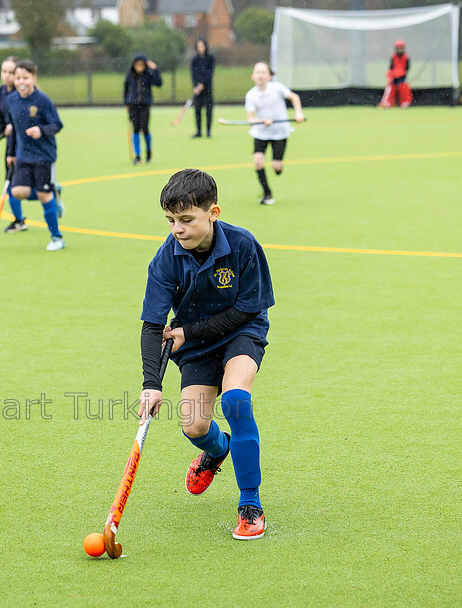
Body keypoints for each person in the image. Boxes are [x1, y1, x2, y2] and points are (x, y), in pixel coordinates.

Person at [138, 168, 275, 540]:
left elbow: (248, 309)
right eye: (170, 221)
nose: (177, 229)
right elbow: (153, 326)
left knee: (235, 401)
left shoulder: (243, 245)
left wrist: (190, 332)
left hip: (241, 331)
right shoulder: (166, 259)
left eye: (186, 220)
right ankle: (218, 451)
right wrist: (151, 384)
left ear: (213, 213)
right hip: (196, 344)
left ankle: (250, 504)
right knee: (195, 426)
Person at [0, 57, 64, 235]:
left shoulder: (42, 100)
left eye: (25, 78)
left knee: (43, 196)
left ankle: (57, 237)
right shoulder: (11, 100)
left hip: (44, 155)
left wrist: (41, 130)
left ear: (34, 78)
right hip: (23, 155)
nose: (21, 82)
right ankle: (52, 193)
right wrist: (11, 153)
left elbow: (57, 124)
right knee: (17, 191)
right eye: (18, 78)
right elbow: (13, 128)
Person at [244, 62, 305, 205]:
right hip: (261, 132)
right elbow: (251, 119)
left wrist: (298, 113)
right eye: (257, 72)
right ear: (253, 76)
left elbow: (295, 98)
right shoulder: (251, 95)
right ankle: (267, 194)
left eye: (264, 72)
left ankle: (278, 167)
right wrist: (261, 120)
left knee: (276, 167)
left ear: (269, 76)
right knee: (258, 162)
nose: (260, 75)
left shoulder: (277, 88)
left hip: (280, 132)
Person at [124, 53, 162, 165]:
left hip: (145, 105)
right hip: (133, 105)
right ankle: (138, 156)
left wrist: (155, 69)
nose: (139, 67)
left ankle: (149, 151)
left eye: (142, 65)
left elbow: (159, 83)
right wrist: (126, 102)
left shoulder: (149, 75)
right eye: (137, 65)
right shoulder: (130, 75)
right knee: (135, 129)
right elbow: (125, 88)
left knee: (145, 129)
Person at [191, 39, 215, 138]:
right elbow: (193, 74)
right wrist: (196, 86)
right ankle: (199, 131)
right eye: (199, 46)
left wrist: (203, 84)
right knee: (197, 110)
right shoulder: (194, 60)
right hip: (197, 89)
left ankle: (208, 131)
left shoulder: (210, 58)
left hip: (207, 88)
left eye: (202, 46)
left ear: (205, 46)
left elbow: (210, 73)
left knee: (209, 110)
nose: (200, 48)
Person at [384, 39, 412, 108]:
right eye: (398, 48)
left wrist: (402, 74)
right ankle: (388, 103)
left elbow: (407, 68)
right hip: (394, 77)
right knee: (391, 88)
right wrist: (391, 77)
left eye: (401, 48)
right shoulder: (393, 57)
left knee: (403, 88)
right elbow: (391, 68)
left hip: (402, 76)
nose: (399, 50)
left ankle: (405, 102)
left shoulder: (406, 57)